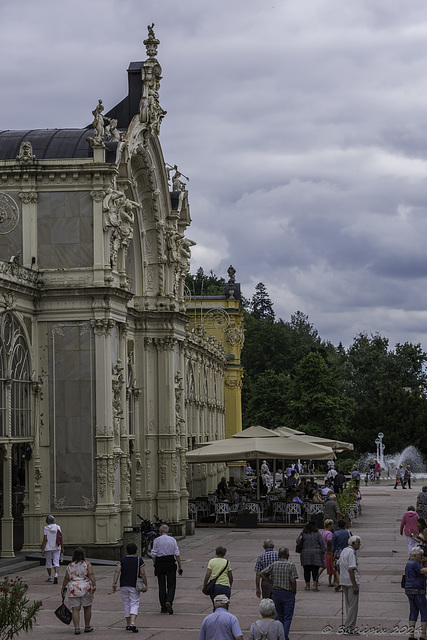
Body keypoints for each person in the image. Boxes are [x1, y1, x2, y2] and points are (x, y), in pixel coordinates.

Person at [257, 547, 298, 640]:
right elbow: (293, 580)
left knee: (280, 615)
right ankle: (284, 636)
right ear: (287, 556)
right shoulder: (290, 565)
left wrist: (271, 581)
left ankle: (279, 635)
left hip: (276, 592)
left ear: (279, 555)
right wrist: (294, 590)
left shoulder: (274, 564)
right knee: (288, 617)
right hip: (287, 592)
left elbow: (261, 573)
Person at [112, 541, 148, 633]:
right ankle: (133, 623)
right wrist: (145, 583)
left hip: (123, 584)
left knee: (126, 603)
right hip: (134, 584)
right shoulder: (139, 560)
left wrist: (114, 583)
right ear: (136, 550)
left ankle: (128, 624)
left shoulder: (122, 560)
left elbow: (117, 571)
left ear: (126, 550)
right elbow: (142, 573)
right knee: (134, 603)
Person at [61, 547, 96, 635]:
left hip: (74, 589)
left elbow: (66, 578)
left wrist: (63, 587)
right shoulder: (87, 564)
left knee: (75, 609)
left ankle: (77, 628)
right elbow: (91, 574)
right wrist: (94, 584)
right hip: (86, 588)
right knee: (87, 607)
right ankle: (87, 626)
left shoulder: (70, 565)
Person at [151, 524, 183, 614]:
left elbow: (153, 555)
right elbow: (177, 554)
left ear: (160, 532)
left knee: (161, 586)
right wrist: (180, 566)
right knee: (171, 585)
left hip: (160, 563)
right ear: (167, 532)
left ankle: (163, 607)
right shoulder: (172, 540)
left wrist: (155, 564)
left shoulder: (156, 540)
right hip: (170, 562)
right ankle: (169, 600)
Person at [337, 535, 361, 635]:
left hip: (344, 581)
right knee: (353, 606)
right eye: (359, 542)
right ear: (353, 543)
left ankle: (348, 626)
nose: (360, 545)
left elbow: (338, 564)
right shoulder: (351, 552)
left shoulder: (344, 550)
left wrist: (342, 575)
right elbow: (351, 569)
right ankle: (349, 627)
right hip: (351, 582)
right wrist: (354, 585)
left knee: (348, 605)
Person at [404, 546, 427, 640]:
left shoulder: (409, 563)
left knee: (413, 611)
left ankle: (411, 635)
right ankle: (423, 635)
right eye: (420, 555)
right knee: (424, 611)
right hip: (418, 590)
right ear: (415, 555)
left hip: (409, 590)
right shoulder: (414, 564)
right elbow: (423, 571)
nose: (422, 557)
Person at [297, 520, 325, 591]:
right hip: (316, 553)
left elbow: (298, 541)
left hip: (305, 552)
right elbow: (321, 543)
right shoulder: (317, 533)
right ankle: (315, 585)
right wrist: (323, 552)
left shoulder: (303, 533)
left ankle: (307, 585)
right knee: (315, 570)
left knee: (306, 570)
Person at [41, 515, 63, 584]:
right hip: (57, 546)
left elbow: (45, 539)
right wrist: (62, 547)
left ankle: (50, 577)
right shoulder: (58, 527)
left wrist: (43, 549)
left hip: (48, 547)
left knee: (48, 562)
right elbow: (60, 537)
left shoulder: (46, 528)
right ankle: (56, 574)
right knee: (56, 561)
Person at [331, 519, 351, 591]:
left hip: (338, 551)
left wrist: (332, 552)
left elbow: (333, 544)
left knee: (337, 567)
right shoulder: (348, 532)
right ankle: (347, 581)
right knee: (346, 566)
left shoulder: (335, 533)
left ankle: (339, 582)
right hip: (346, 550)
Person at [322, 519, 337, 587]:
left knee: (324, 566)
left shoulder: (323, 532)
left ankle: (316, 579)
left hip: (324, 550)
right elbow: (330, 542)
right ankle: (334, 581)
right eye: (331, 525)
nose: (333, 526)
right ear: (329, 525)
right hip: (329, 551)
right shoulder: (329, 534)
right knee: (329, 567)